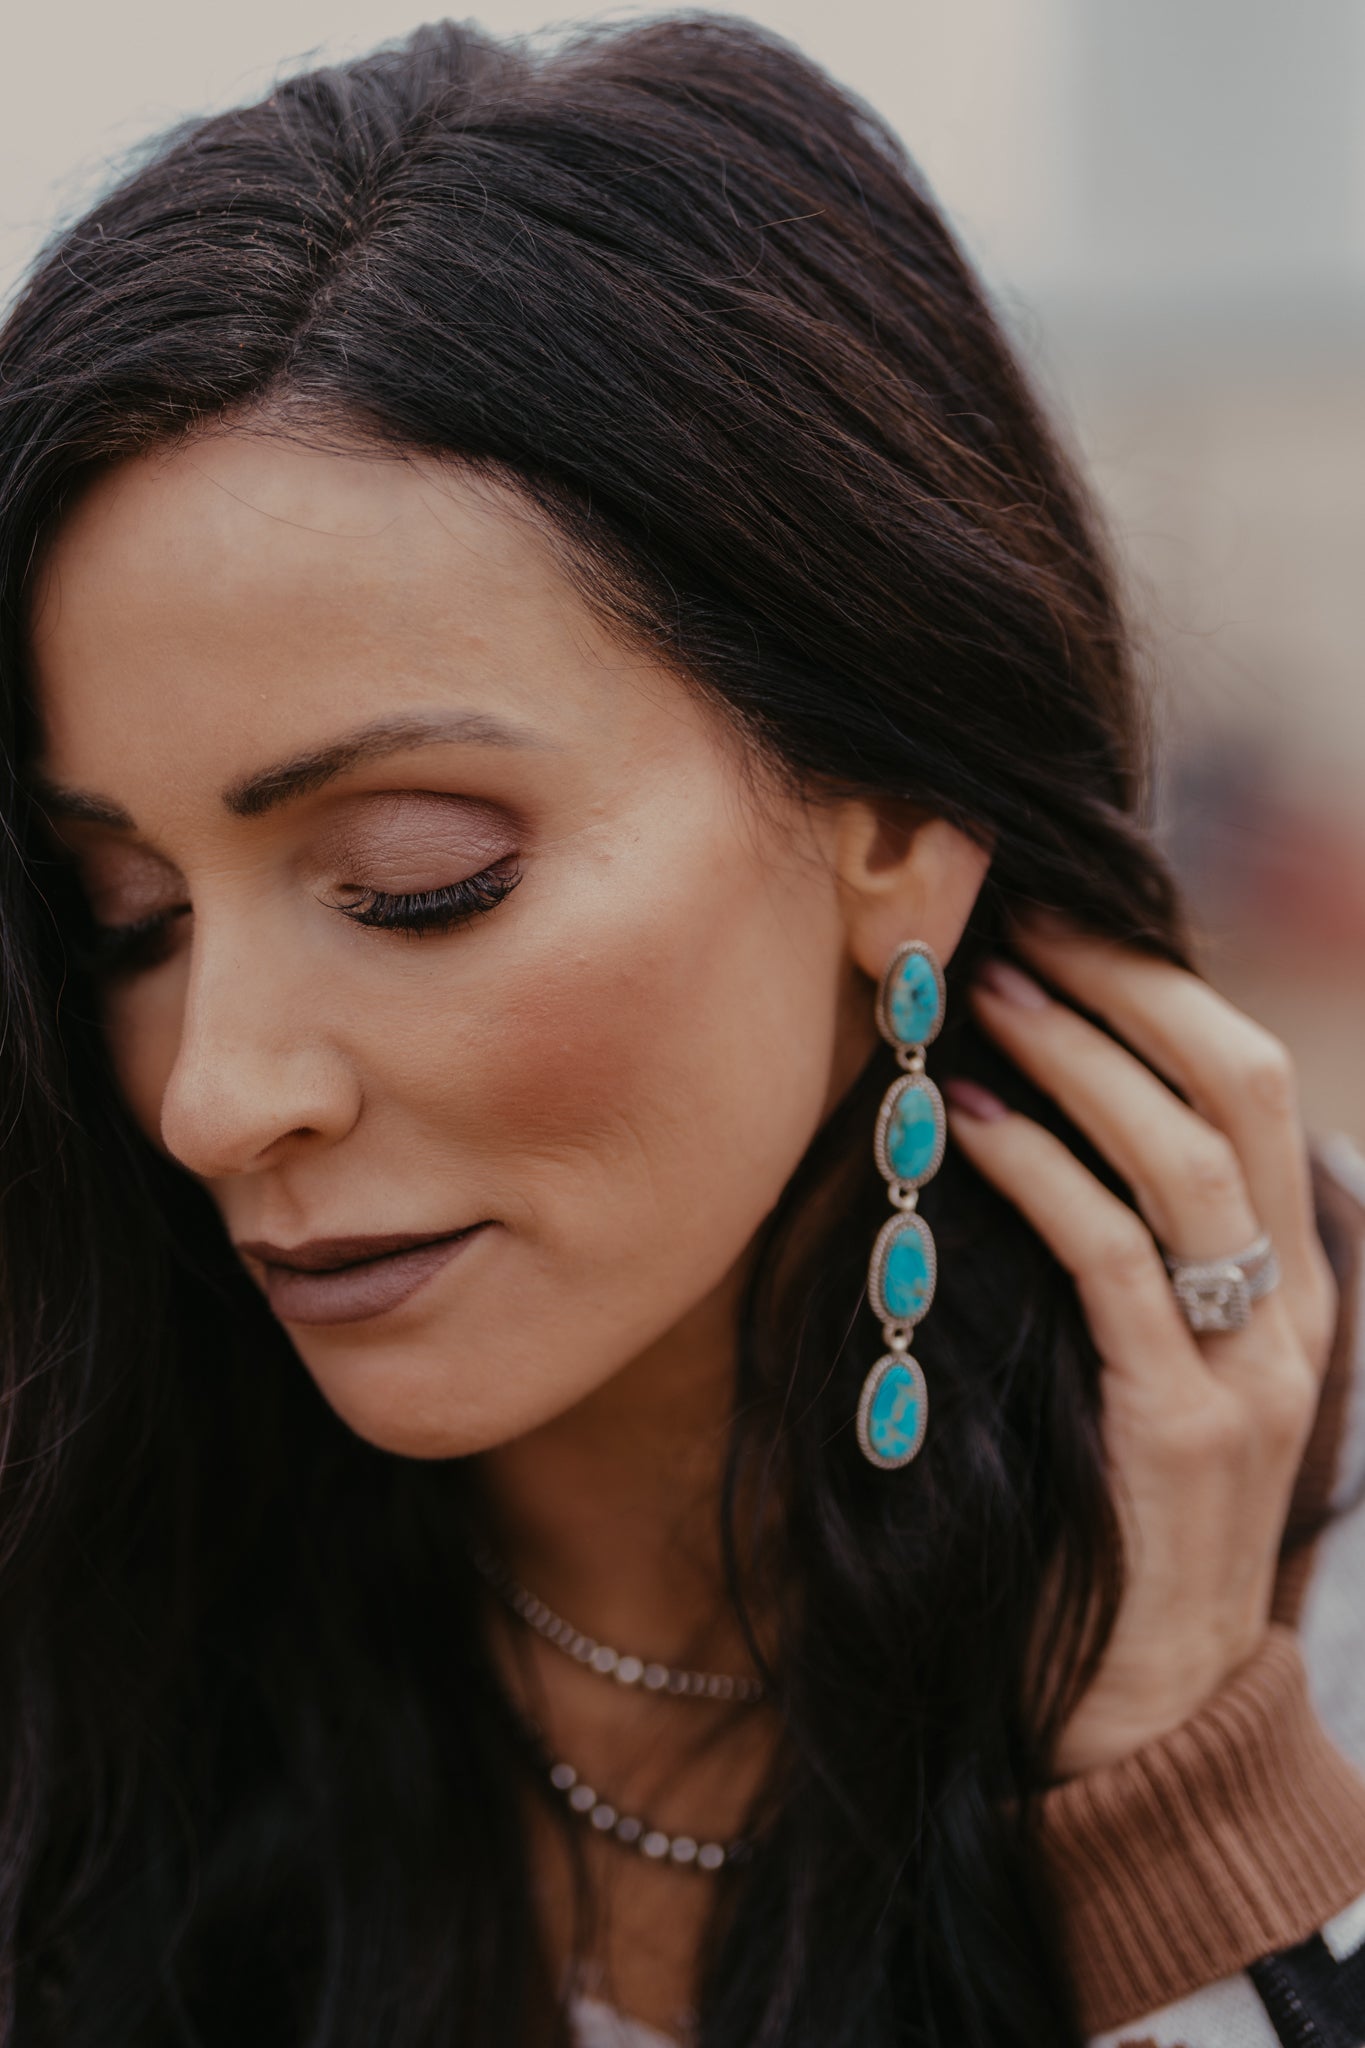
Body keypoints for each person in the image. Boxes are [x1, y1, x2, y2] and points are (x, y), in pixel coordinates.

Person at [1, 17, 1363, 2047]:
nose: (216, 1095)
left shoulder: (1312, 1575)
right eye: (130, 920)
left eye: (415, 876)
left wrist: (1178, 1801)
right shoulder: (82, 1548)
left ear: (892, 824)